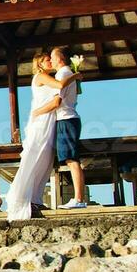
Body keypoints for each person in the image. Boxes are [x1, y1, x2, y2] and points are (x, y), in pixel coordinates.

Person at [6, 53, 65, 222]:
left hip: (49, 121)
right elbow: (60, 87)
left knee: (45, 162)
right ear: (40, 64)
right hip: (41, 121)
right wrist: (74, 74)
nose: (50, 62)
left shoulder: (48, 78)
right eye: (47, 60)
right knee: (35, 157)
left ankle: (35, 198)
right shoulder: (41, 76)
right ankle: (24, 197)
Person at [51, 46, 88, 209]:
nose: (50, 60)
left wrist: (39, 111)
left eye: (52, 57)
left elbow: (57, 100)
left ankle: (79, 198)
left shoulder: (63, 74)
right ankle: (78, 198)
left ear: (60, 59)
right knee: (70, 158)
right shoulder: (69, 74)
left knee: (72, 159)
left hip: (66, 118)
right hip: (69, 118)